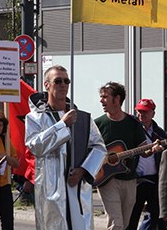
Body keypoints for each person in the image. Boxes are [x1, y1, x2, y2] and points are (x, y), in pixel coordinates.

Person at [25, 65, 107, 230]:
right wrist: (62, 125)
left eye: (66, 81)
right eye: (58, 81)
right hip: (51, 188)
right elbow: (35, 146)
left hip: (77, 188)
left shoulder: (82, 118)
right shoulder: (35, 118)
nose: (63, 85)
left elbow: (99, 147)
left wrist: (83, 170)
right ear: (47, 85)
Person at [95, 82, 158, 230]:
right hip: (107, 179)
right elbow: (90, 150)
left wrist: (152, 149)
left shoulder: (133, 123)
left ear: (117, 99)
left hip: (130, 180)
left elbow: (143, 150)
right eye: (101, 97)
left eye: (105, 97)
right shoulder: (97, 124)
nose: (101, 100)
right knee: (116, 224)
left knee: (126, 225)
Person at [127, 99, 167, 230]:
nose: (141, 115)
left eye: (145, 112)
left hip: (154, 178)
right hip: (135, 179)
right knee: (132, 214)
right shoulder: (131, 129)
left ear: (153, 114)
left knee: (156, 214)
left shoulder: (159, 133)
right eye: (139, 111)